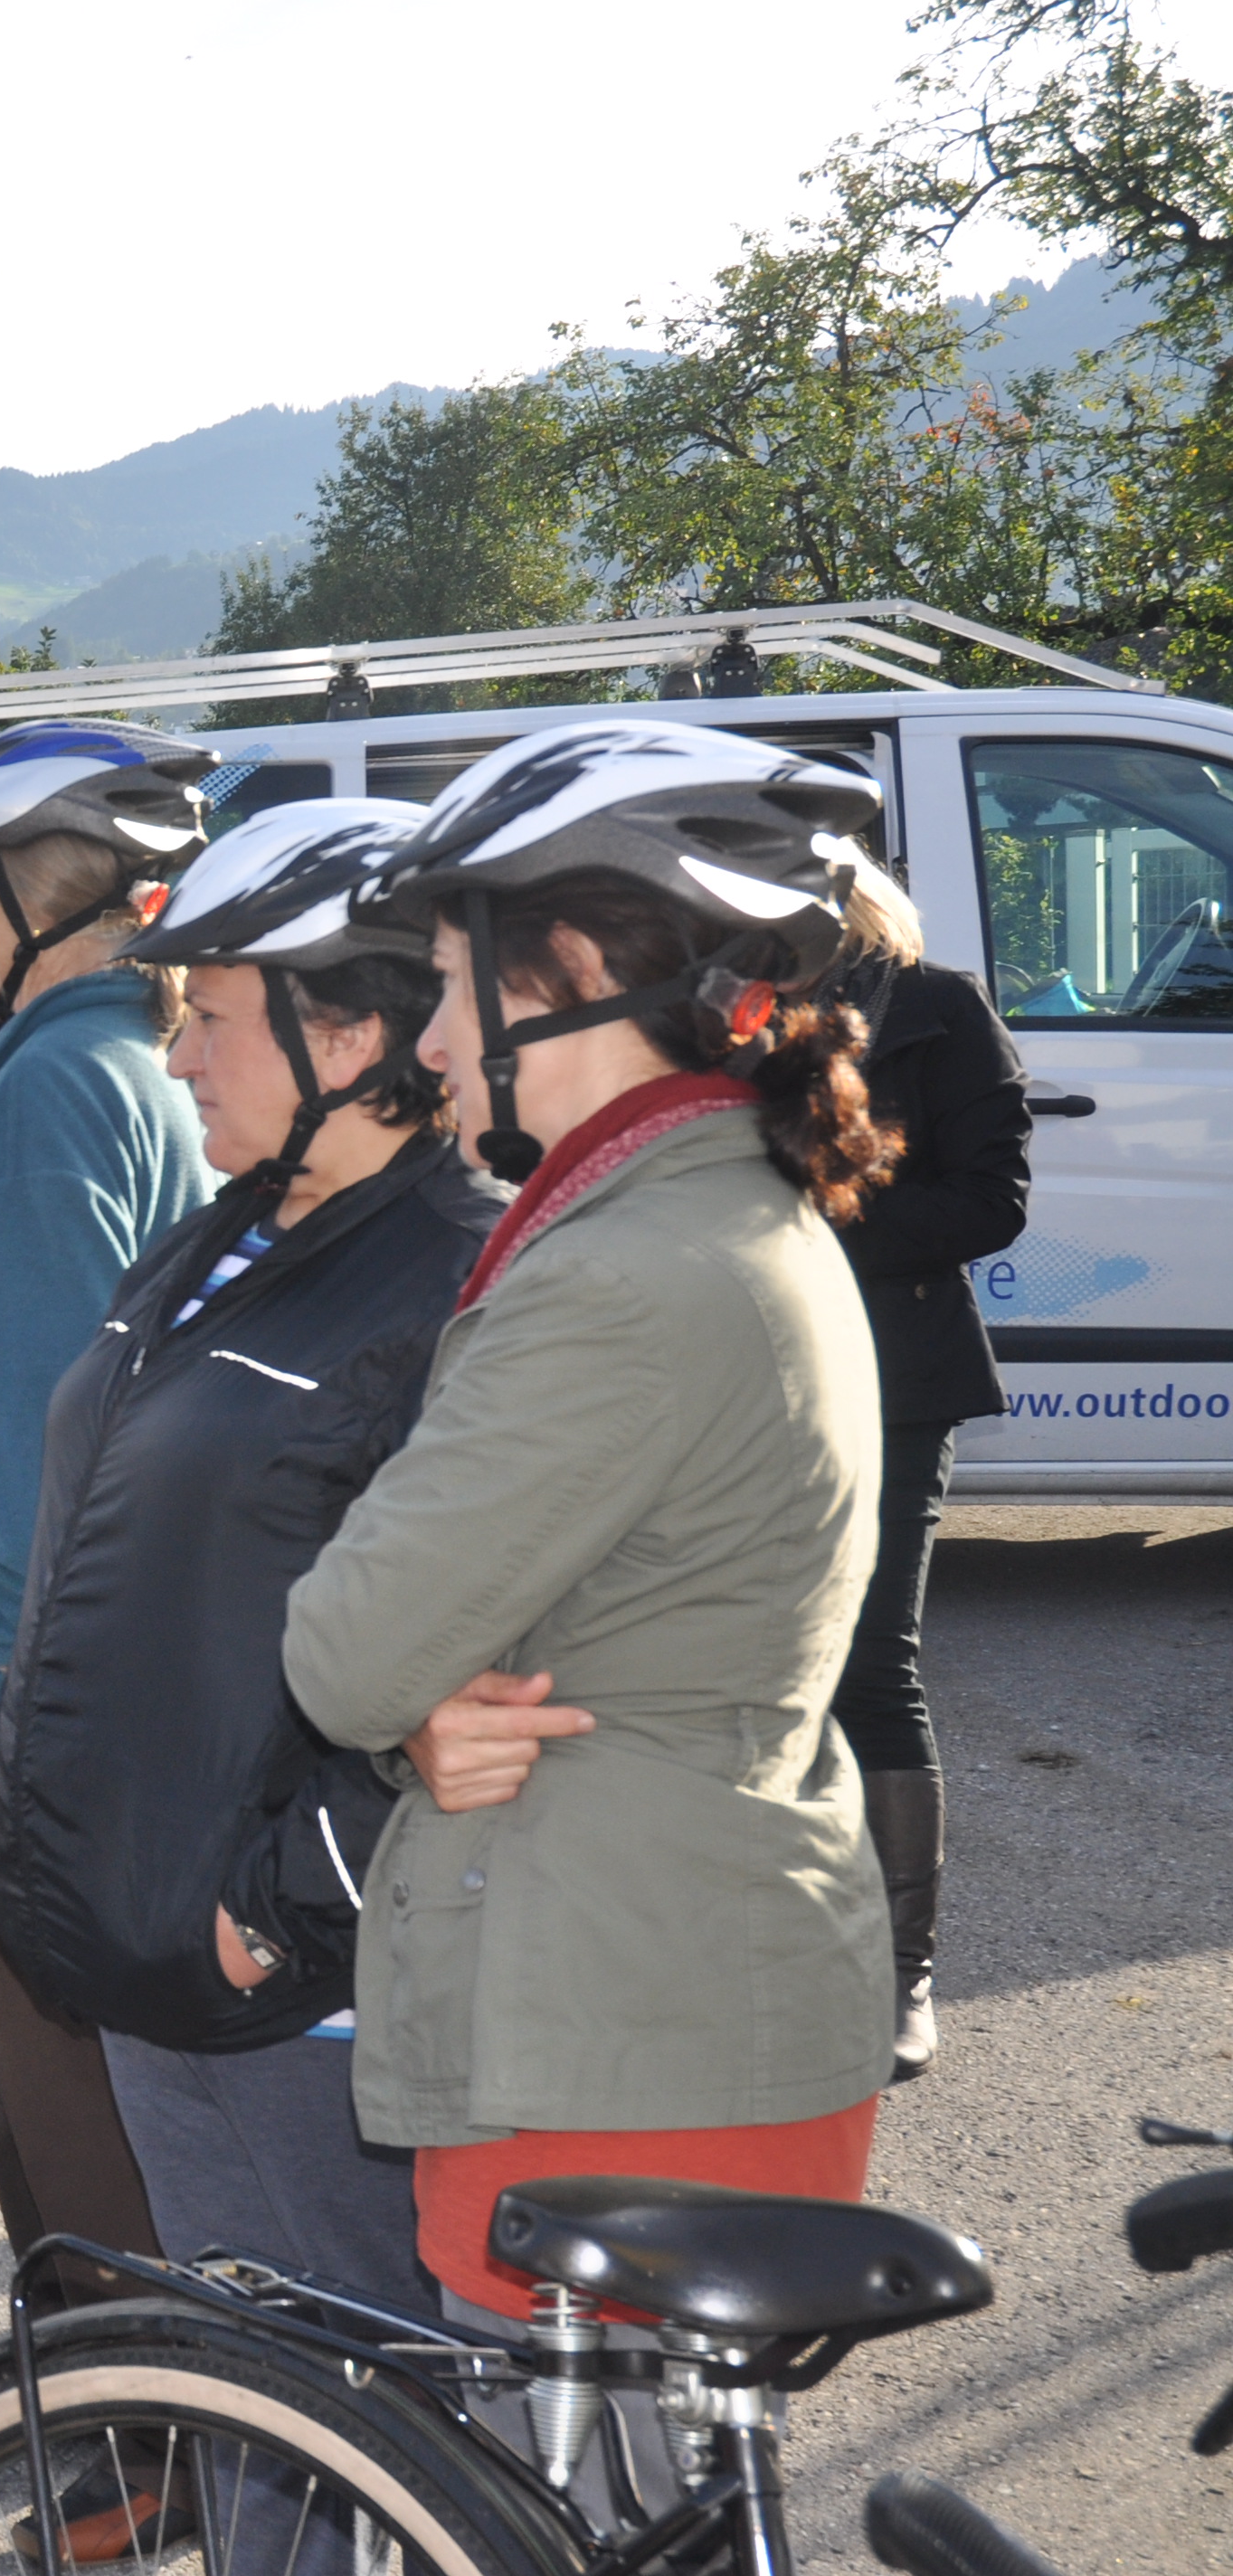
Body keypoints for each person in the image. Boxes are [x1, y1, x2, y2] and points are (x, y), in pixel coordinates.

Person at [283, 720, 897, 2358]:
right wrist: (424, 1709)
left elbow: (344, 1648)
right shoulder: (714, 1204)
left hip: (611, 2034)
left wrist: (408, 1694)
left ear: (565, 974)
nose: (428, 1036)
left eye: (441, 981)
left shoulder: (615, 1273)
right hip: (667, 1995)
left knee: (557, 2484)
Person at [0, 800, 497, 2435]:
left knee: (372, 2428)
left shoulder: (455, 1276)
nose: (177, 1051)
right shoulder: (235, 1228)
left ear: (348, 1036)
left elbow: (488, 1667)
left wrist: (278, 1914)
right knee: (251, 2416)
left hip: (288, 1996)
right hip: (142, 1948)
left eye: (209, 1016)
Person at [0, 720, 217, 2294]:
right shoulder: (127, 1063)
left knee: (76, 2183)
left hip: (51, 1717)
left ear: (49, 901)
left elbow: (31, 1484)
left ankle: (126, 2420)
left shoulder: (47, 1102)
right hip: (126, 1692)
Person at [820, 859, 1029, 2079]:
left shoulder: (941, 1007)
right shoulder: (721, 1014)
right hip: (740, 1371)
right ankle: (789, 1942)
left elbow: (992, 1203)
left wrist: (822, 1216)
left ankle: (902, 1972)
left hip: (895, 1374)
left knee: (869, 1659)